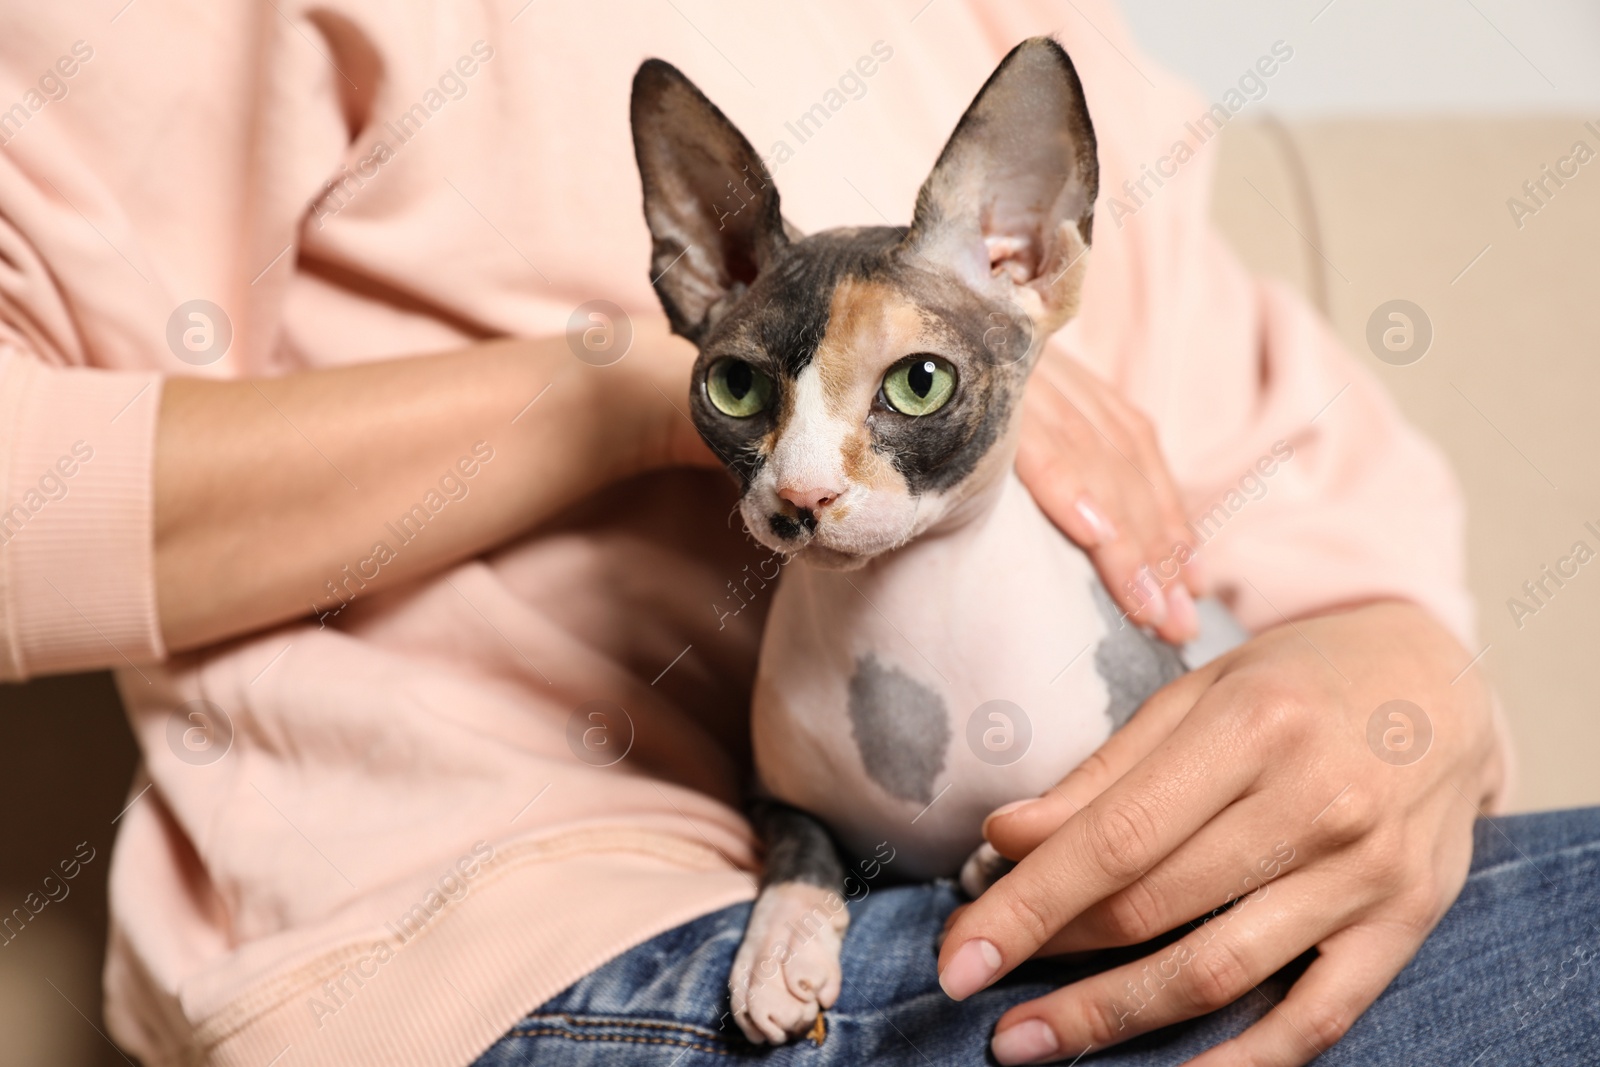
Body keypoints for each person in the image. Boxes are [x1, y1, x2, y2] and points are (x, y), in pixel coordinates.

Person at [0, 2, 1592, 1065]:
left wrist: (1411, 719)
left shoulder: (1018, 42)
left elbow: (1335, 539)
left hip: (1040, 897)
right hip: (592, 957)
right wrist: (621, 389)